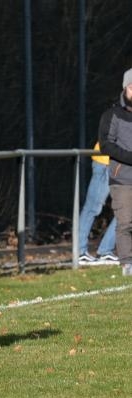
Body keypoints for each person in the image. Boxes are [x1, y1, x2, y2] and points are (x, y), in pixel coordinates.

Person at [99, 68, 132, 276]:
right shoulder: (112, 115)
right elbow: (106, 145)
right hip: (122, 179)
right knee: (126, 221)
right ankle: (127, 263)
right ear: (125, 88)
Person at [78, 141, 118, 265]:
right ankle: (79, 251)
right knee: (93, 207)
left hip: (121, 165)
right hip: (106, 161)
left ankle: (106, 250)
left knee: (126, 210)